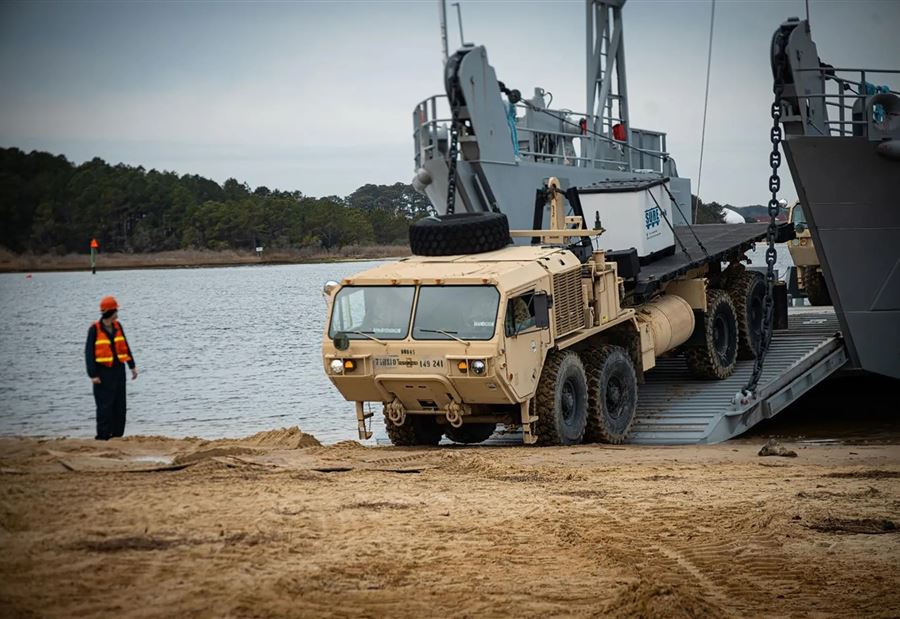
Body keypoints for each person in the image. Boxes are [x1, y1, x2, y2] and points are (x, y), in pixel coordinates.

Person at [85, 296, 138, 440]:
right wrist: (93, 374)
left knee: (120, 405)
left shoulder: (118, 326)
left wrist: (132, 366)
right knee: (104, 405)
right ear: (110, 311)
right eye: (116, 310)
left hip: (118, 371)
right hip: (103, 373)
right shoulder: (94, 329)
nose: (117, 313)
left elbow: (125, 346)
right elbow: (89, 353)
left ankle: (117, 435)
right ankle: (102, 436)